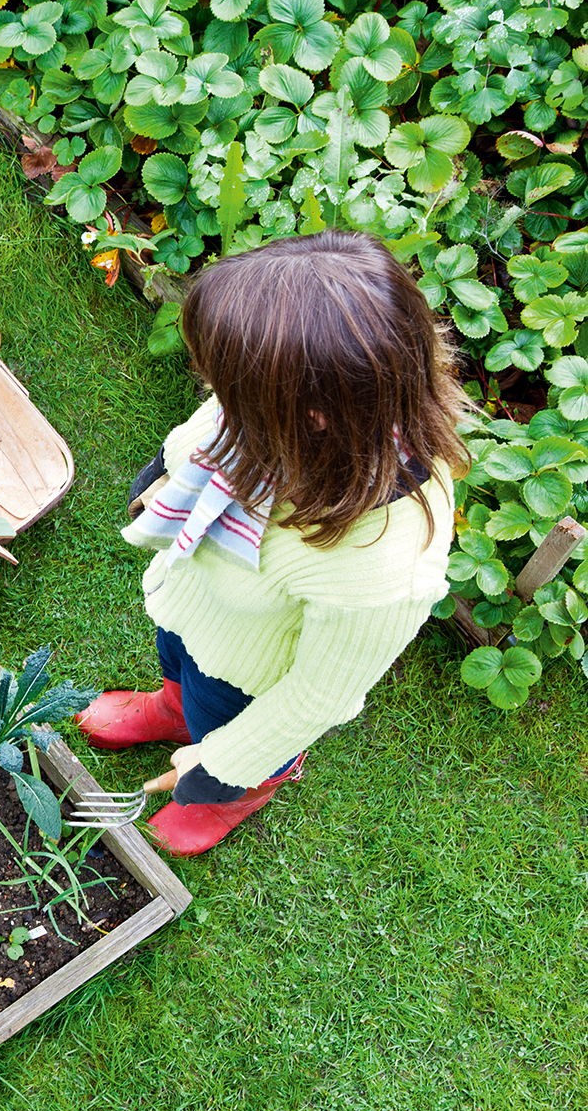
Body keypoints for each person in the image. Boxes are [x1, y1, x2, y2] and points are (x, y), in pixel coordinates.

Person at [75, 230, 468, 856]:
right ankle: (176, 710)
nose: (210, 390)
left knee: (221, 716)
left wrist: (219, 765)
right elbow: (209, 431)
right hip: (199, 598)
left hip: (251, 675)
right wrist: (162, 475)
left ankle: (241, 791)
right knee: (176, 656)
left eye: (226, 386)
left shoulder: (385, 563)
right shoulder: (292, 417)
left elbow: (317, 696)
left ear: (309, 413)